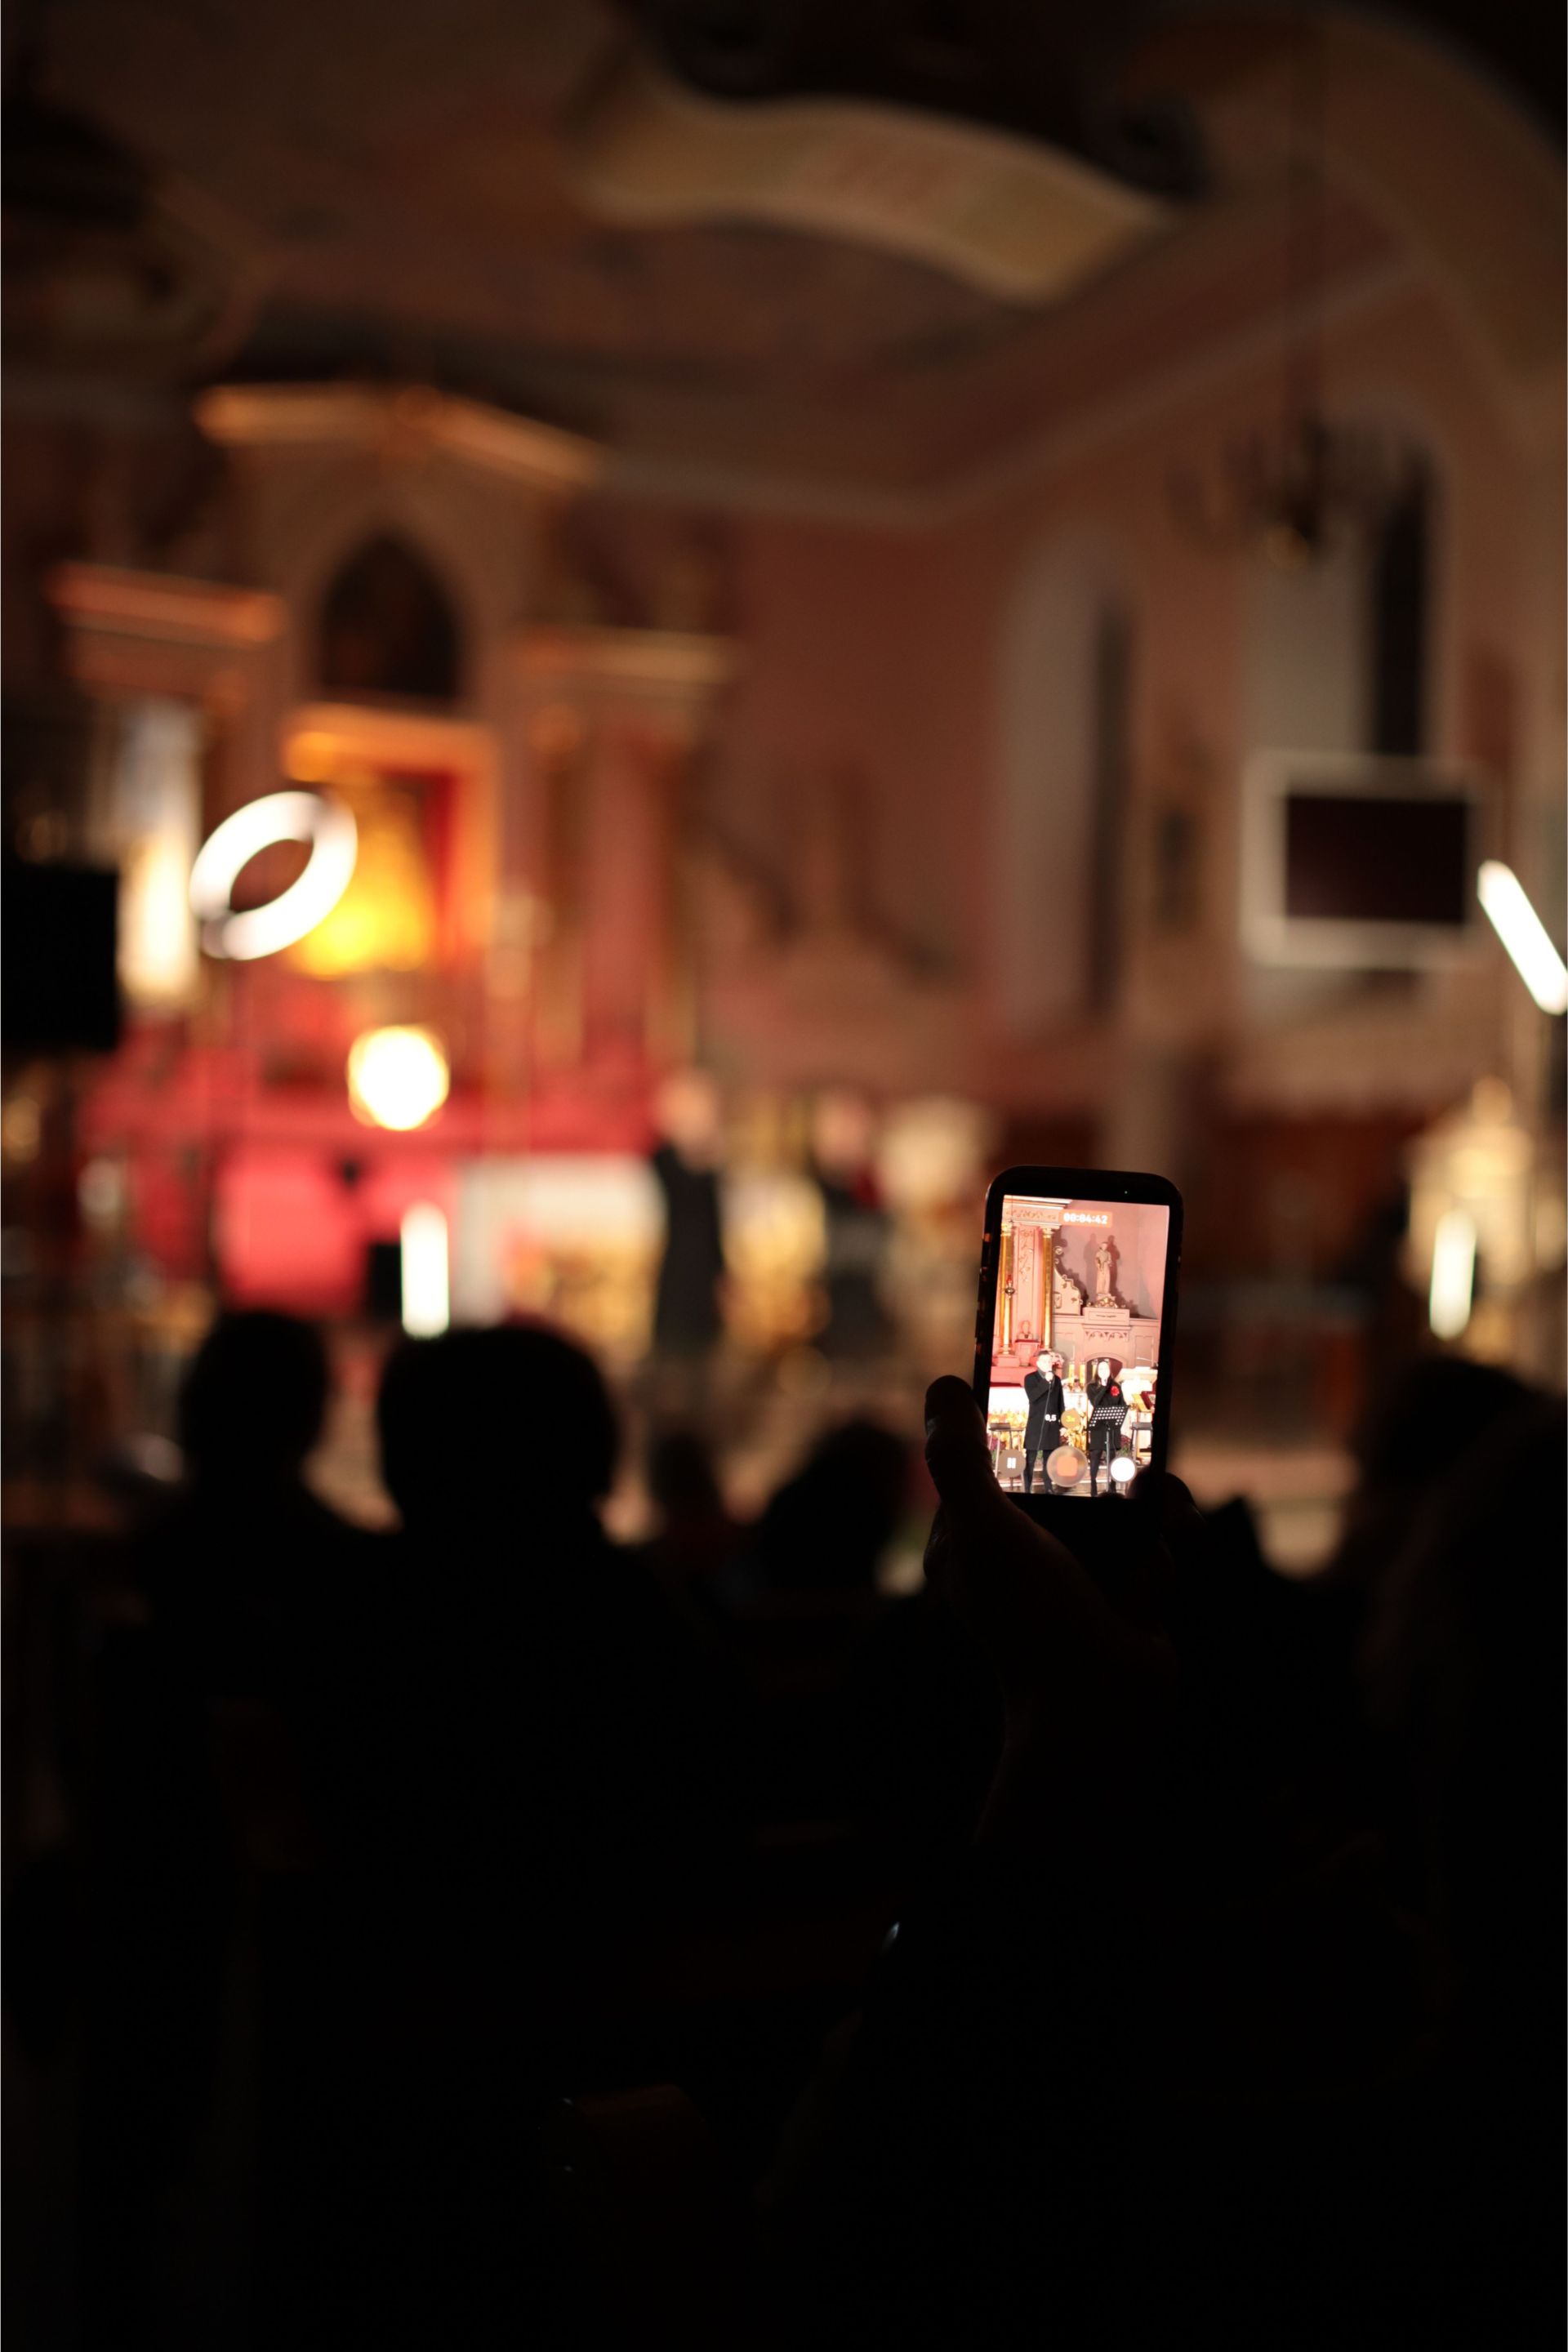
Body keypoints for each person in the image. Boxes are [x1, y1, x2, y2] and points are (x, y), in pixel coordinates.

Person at [1021, 1350, 1063, 1494]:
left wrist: (1062, 1424)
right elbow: (1033, 1396)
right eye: (1044, 1361)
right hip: (1036, 1424)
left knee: (1049, 1459)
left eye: (1050, 1361)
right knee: (1031, 1458)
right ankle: (1027, 1488)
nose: (1048, 1364)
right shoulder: (1030, 1378)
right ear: (1038, 1363)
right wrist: (1046, 1381)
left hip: (1052, 1424)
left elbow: (1060, 1402)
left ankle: (1048, 1487)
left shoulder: (1057, 1380)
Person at [1085, 1356, 1127, 1495]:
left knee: (1112, 1455)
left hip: (1112, 1425)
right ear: (1097, 1371)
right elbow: (1095, 1402)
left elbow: (1122, 1404)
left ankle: (1113, 1486)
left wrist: (1121, 1411)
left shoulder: (1116, 1386)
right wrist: (1104, 1386)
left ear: (1110, 1371)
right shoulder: (1091, 1387)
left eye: (1106, 1369)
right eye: (1101, 1369)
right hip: (1098, 1425)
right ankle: (1093, 1485)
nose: (1104, 1371)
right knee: (1096, 1453)